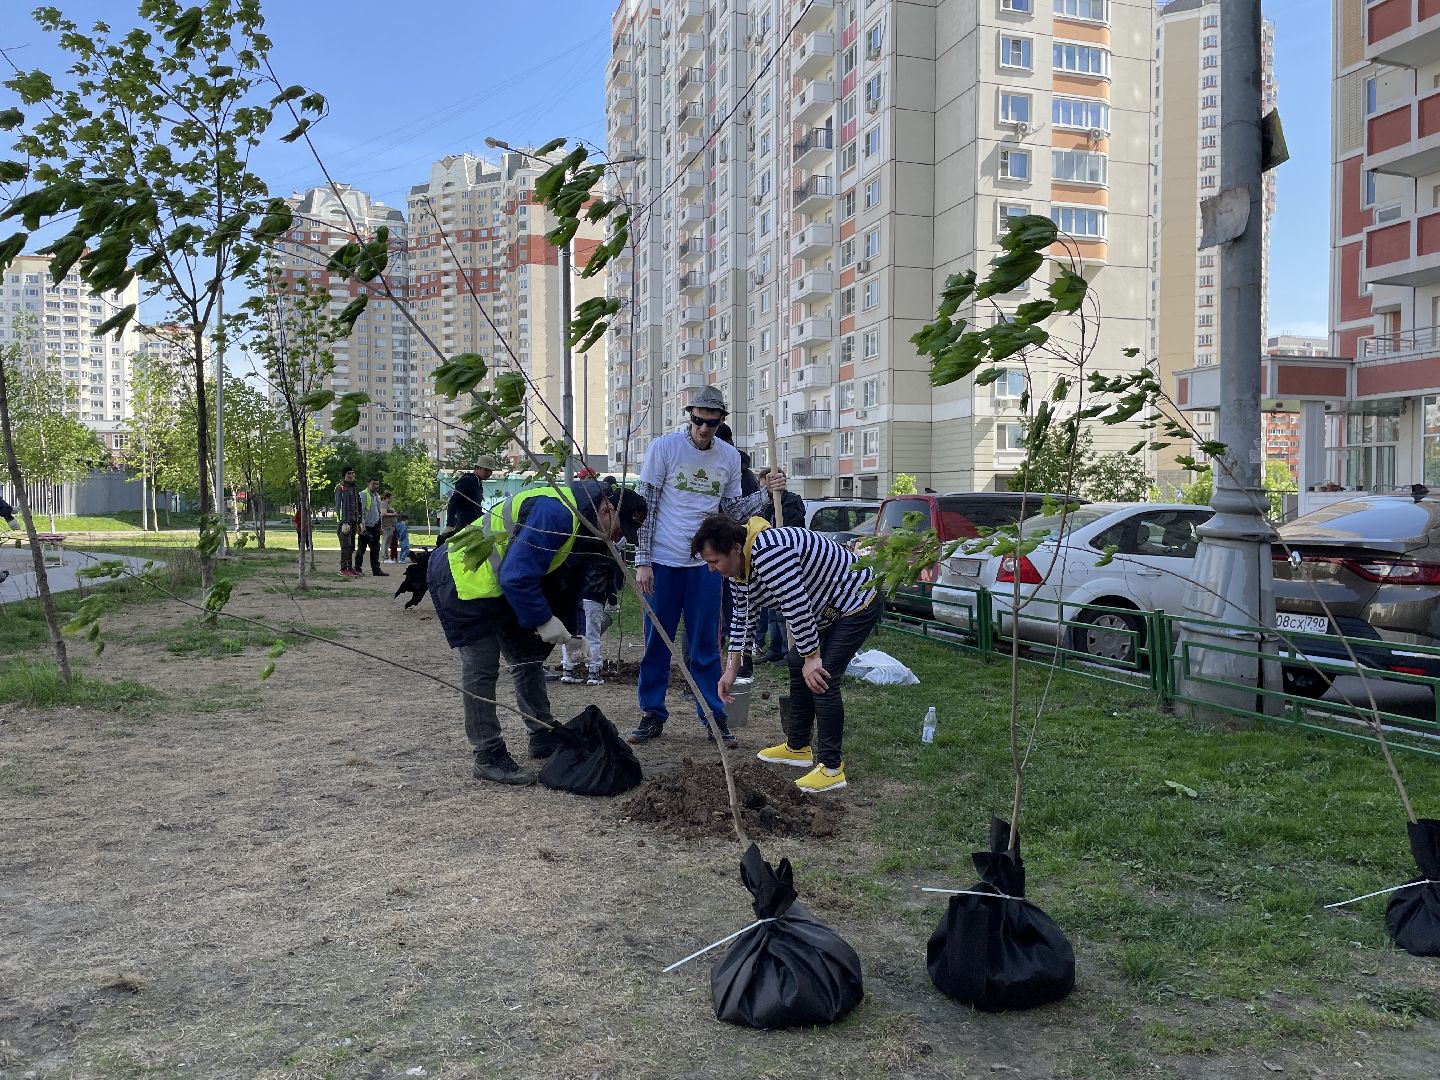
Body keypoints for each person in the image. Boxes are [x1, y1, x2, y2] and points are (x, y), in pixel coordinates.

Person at [428, 478, 647, 785]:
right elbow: (516, 576)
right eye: (620, 529)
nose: (618, 538)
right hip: (464, 577)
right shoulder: (556, 512)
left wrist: (572, 633)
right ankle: (487, 754)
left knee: (526, 657)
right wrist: (543, 621)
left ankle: (541, 733)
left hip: (501, 587)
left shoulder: (585, 526)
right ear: (607, 510)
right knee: (482, 667)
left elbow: (566, 584)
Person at [627, 385, 785, 748]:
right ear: (690, 416)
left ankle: (714, 716)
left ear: (720, 422)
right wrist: (643, 560)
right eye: (697, 420)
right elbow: (645, 508)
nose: (703, 428)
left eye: (711, 423)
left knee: (706, 646)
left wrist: (766, 493)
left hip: (705, 567)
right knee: (656, 642)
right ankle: (652, 713)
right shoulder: (664, 448)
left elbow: (731, 512)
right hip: (663, 563)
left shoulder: (728, 457)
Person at [693, 512, 882, 794]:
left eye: (714, 561)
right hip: (827, 607)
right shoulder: (739, 568)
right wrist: (731, 669)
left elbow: (796, 606)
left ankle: (832, 769)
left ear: (734, 548)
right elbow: (743, 617)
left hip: (857, 598)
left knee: (822, 676)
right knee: (796, 662)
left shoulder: (769, 554)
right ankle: (798, 747)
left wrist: (812, 658)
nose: (711, 569)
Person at [562, 548, 624, 686]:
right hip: (594, 596)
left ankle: (568, 670)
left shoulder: (576, 548)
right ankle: (593, 673)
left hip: (573, 595)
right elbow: (612, 583)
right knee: (593, 635)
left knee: (572, 633)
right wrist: (613, 602)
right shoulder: (607, 554)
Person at [446, 454, 500, 533]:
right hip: (464, 526)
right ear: (478, 468)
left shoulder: (478, 483)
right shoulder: (467, 480)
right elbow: (453, 502)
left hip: (474, 525)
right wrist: (450, 525)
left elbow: (475, 509)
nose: (489, 473)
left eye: (491, 471)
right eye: (486, 470)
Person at [333, 468, 363, 577]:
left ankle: (350, 568)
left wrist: (359, 522)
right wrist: (344, 522)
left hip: (353, 522)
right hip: (345, 523)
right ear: (344, 475)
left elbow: (358, 505)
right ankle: (343, 569)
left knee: (351, 547)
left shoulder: (354, 488)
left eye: (353, 473)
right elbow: (339, 506)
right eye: (349, 473)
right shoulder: (340, 487)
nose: (351, 475)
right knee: (345, 546)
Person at [357, 477, 387, 577]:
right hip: (366, 527)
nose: (376, 486)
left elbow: (378, 512)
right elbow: (361, 512)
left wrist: (380, 526)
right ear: (368, 484)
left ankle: (376, 570)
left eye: (377, 484)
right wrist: (361, 526)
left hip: (375, 526)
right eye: (373, 484)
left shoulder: (377, 495)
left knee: (375, 549)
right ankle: (357, 569)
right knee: (361, 549)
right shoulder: (363, 494)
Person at [380, 493, 398, 563]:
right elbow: (383, 513)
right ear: (387, 498)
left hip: (391, 526)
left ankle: (385, 557)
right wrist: (393, 514)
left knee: (387, 542)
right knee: (386, 542)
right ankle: (385, 558)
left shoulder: (387, 505)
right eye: (391, 498)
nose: (391, 500)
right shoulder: (384, 504)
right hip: (387, 526)